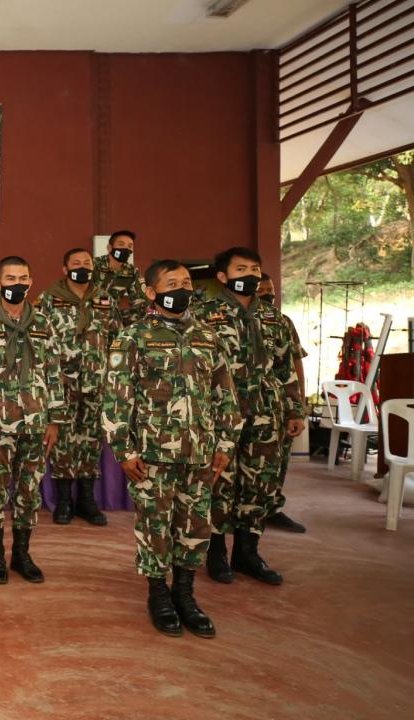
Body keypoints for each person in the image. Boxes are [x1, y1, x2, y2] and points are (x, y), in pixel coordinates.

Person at [104, 260, 243, 638]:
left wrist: (225, 444)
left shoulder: (208, 337)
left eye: (185, 282)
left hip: (200, 454)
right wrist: (124, 450)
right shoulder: (133, 337)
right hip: (152, 456)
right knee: (156, 528)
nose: (181, 289)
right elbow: (117, 399)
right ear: (151, 292)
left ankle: (185, 594)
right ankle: (158, 595)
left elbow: (225, 396)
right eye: (171, 283)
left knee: (195, 527)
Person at [193, 248, 305, 586]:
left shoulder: (276, 320)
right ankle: (216, 554)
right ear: (223, 277)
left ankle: (247, 552)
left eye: (255, 268)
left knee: (259, 483)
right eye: (241, 268)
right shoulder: (202, 314)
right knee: (219, 482)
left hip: (267, 413)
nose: (250, 275)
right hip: (221, 413)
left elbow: (286, 368)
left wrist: (294, 408)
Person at [0, 256, 66, 584]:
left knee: (29, 490)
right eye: (10, 278)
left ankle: (22, 554)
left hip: (36, 420)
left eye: (23, 278)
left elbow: (54, 373)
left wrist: (54, 419)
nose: (17, 284)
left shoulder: (43, 323)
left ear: (31, 281)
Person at [41, 247, 123, 525]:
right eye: (76, 263)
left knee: (91, 440)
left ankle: (87, 499)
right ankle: (63, 500)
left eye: (87, 263)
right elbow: (38, 338)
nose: (82, 267)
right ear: (65, 270)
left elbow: (117, 341)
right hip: (61, 384)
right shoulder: (49, 299)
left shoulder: (104, 299)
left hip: (96, 383)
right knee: (61, 441)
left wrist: (113, 376)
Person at [259, 273, 308, 534]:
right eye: (262, 290)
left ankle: (273, 508)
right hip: (244, 408)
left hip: (279, 404)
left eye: (271, 290)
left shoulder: (282, 322)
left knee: (278, 460)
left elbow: (294, 361)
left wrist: (299, 401)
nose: (269, 295)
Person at [93, 230, 149, 317]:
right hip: (89, 312)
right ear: (109, 248)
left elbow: (141, 301)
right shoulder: (93, 265)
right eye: (121, 244)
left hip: (112, 315)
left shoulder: (132, 271)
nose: (126, 248)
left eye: (130, 246)